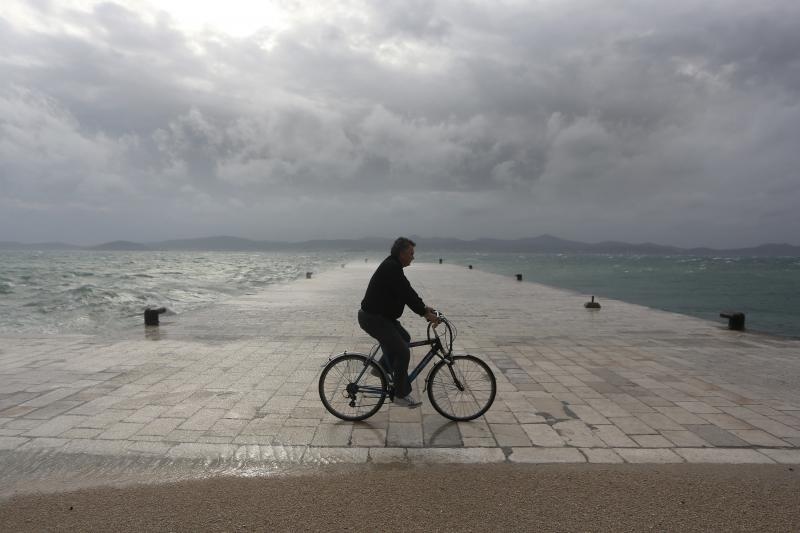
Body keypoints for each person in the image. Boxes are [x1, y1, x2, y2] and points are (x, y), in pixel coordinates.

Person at [358, 237, 439, 408]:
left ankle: (380, 367)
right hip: (373, 319)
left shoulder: (394, 266)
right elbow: (406, 293)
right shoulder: (391, 268)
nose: (413, 257)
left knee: (405, 337)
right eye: (411, 253)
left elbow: (407, 290)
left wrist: (424, 308)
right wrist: (424, 313)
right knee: (402, 352)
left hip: (380, 317)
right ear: (401, 253)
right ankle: (400, 394)